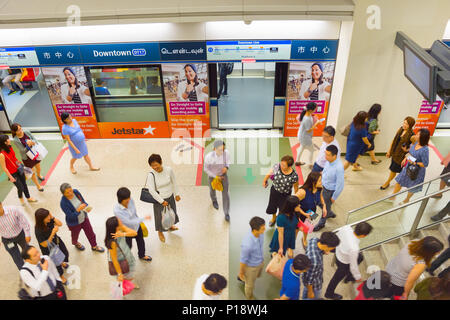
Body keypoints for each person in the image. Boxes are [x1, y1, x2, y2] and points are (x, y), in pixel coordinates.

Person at [325, 222, 373, 300]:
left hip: (339, 252)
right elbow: (353, 266)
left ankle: (349, 277)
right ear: (364, 235)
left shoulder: (347, 228)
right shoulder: (354, 248)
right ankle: (329, 293)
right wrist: (358, 277)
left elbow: (336, 235)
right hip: (343, 262)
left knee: (360, 257)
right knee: (336, 279)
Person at [387, 128, 430, 204]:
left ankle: (406, 200)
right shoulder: (416, 143)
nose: (416, 135)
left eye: (418, 135)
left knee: (411, 187)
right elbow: (410, 152)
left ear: (423, 137)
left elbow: (425, 164)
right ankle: (393, 196)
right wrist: (406, 157)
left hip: (416, 171)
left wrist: (415, 163)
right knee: (399, 181)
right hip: (408, 166)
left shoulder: (425, 149)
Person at [59, 183, 104, 253]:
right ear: (63, 194)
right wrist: (78, 210)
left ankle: (94, 246)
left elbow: (83, 202)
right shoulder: (63, 203)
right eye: (67, 192)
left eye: (71, 190)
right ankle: (75, 243)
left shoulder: (76, 192)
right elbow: (70, 216)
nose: (70, 193)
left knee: (90, 233)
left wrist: (87, 207)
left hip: (84, 218)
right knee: (75, 235)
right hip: (74, 223)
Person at [146, 154, 180, 243]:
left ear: (161, 162)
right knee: (160, 217)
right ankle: (160, 232)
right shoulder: (151, 175)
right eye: (152, 165)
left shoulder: (169, 170)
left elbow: (174, 182)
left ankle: (170, 226)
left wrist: (177, 194)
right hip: (159, 200)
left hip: (170, 197)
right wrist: (161, 201)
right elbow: (152, 191)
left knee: (171, 213)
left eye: (156, 164)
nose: (154, 167)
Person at [113, 187, 152, 261]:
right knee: (128, 245)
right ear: (121, 199)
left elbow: (134, 213)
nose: (129, 200)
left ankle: (142, 255)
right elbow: (128, 222)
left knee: (141, 241)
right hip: (127, 230)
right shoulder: (117, 211)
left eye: (129, 197)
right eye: (126, 199)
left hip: (137, 226)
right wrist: (143, 218)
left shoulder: (130, 200)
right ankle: (124, 258)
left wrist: (139, 221)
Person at [313, 145, 344, 232]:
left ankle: (321, 223)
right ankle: (329, 212)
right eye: (325, 154)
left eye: (327, 155)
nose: (325, 157)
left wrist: (334, 197)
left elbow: (340, 185)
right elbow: (325, 171)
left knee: (325, 207)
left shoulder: (339, 168)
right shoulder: (328, 161)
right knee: (318, 201)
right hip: (322, 186)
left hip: (329, 191)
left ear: (334, 156)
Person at [34, 208, 69, 284]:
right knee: (56, 263)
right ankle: (61, 276)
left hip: (56, 241)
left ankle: (62, 262)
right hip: (49, 248)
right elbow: (44, 244)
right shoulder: (38, 230)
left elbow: (60, 224)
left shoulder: (49, 220)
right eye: (46, 217)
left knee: (64, 252)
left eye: (48, 215)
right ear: (41, 219)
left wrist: (52, 217)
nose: (49, 218)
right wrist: (52, 233)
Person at [380, 117, 416, 190]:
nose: (404, 125)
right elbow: (394, 140)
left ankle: (388, 182)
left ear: (411, 125)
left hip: (401, 156)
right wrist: (389, 151)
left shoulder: (412, 135)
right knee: (393, 168)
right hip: (395, 153)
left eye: (406, 124)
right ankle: (392, 182)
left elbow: (414, 148)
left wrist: (407, 150)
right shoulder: (401, 129)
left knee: (393, 170)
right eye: (404, 122)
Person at [302, 232, 340, 300]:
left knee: (305, 292)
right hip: (315, 284)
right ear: (326, 246)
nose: (331, 250)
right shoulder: (315, 261)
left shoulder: (314, 240)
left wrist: (323, 251)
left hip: (307, 277)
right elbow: (309, 280)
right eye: (331, 248)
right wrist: (310, 292)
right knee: (314, 296)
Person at [263, 155, 299, 227]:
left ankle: (278, 217)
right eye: (281, 163)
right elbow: (270, 173)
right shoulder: (277, 166)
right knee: (273, 205)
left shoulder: (294, 176)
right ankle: (273, 218)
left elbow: (296, 187)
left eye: (283, 165)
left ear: (289, 166)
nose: (281, 166)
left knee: (282, 208)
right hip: (274, 191)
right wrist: (264, 181)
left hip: (285, 194)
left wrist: (296, 198)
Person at [0, 135, 37, 204]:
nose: (9, 139)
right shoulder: (1, 155)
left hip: (18, 168)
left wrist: (21, 166)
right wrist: (10, 177)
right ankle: (20, 197)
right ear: (5, 142)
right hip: (12, 173)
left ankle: (28, 197)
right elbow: (4, 168)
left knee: (24, 184)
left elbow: (14, 158)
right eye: (8, 139)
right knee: (20, 187)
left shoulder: (10, 147)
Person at [104, 217, 138, 286]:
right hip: (120, 262)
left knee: (129, 274)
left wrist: (123, 234)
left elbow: (134, 233)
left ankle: (128, 282)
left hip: (126, 255)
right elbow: (114, 259)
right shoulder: (112, 242)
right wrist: (119, 273)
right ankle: (127, 284)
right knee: (126, 276)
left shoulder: (121, 228)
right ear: (116, 227)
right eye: (119, 221)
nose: (121, 221)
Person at [11, 123, 45, 191]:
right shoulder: (15, 140)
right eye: (18, 130)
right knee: (32, 172)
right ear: (14, 132)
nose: (20, 131)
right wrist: (28, 145)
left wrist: (32, 142)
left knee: (38, 167)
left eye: (20, 129)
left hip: (34, 153)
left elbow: (35, 140)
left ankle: (39, 175)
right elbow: (22, 150)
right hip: (27, 158)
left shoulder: (26, 132)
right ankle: (38, 186)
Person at [238, 216, 265, 300]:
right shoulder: (247, 244)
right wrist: (241, 272)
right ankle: (249, 297)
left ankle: (245, 278)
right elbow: (243, 260)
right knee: (250, 285)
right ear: (255, 230)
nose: (265, 229)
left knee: (256, 276)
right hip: (251, 267)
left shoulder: (261, 234)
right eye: (262, 228)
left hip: (260, 261)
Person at [295, 172, 324, 248]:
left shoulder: (319, 188)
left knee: (307, 227)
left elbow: (321, 196)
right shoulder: (302, 192)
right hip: (300, 213)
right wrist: (304, 214)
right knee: (296, 229)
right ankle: (292, 242)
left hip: (311, 213)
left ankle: (304, 239)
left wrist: (324, 206)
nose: (322, 182)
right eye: (320, 181)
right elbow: (293, 204)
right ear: (313, 182)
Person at [204, 140, 230, 221]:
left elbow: (228, 162)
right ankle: (214, 201)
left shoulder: (226, 153)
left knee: (225, 193)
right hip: (213, 177)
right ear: (214, 149)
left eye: (223, 149)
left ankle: (226, 213)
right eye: (219, 150)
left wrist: (226, 167)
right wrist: (215, 176)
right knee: (212, 190)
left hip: (223, 176)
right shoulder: (209, 157)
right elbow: (206, 169)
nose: (222, 152)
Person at [0, 202, 31, 269]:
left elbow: (24, 221)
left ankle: (34, 267)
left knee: (28, 252)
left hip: (20, 236)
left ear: (1, 204)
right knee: (16, 257)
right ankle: (24, 272)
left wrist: (27, 234)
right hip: (7, 240)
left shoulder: (13, 210)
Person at [295, 102, 320, 167]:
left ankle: (297, 161)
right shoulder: (307, 118)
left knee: (302, 147)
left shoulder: (307, 115)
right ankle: (310, 164)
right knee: (312, 150)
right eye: (315, 109)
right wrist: (317, 123)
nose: (316, 110)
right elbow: (308, 130)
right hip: (305, 137)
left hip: (302, 135)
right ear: (311, 110)